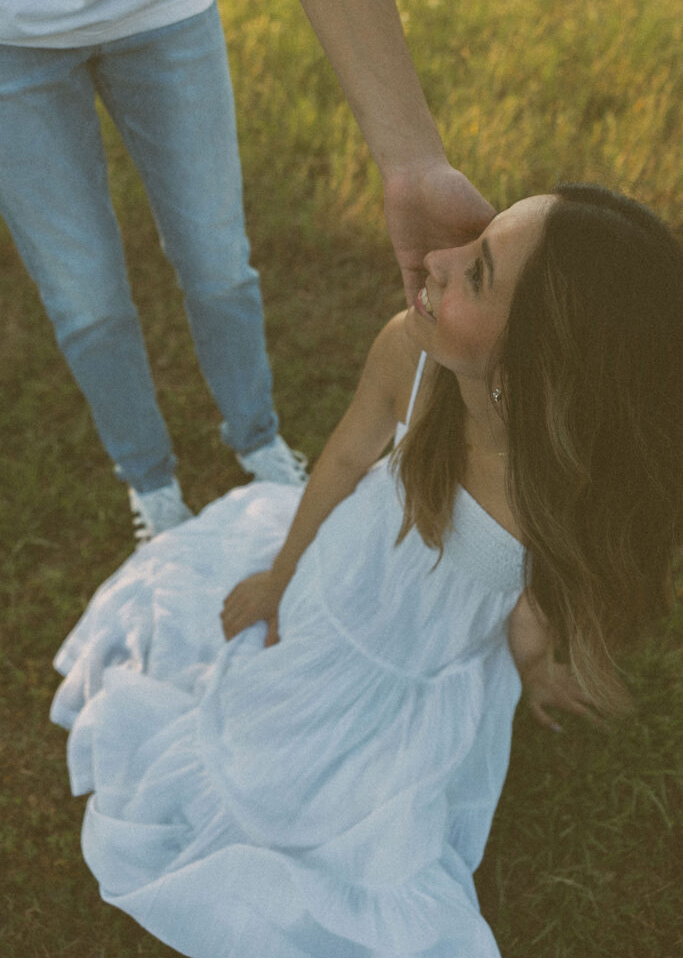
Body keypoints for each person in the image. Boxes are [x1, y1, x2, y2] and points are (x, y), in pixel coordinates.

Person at [50, 184, 682, 956]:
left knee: (372, 836)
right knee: (264, 761)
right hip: (339, 590)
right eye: (473, 240)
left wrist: (532, 669)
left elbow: (529, 611)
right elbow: (347, 455)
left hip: (424, 660)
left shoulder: (558, 495)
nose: (436, 259)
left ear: (536, 365)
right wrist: (279, 576)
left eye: (476, 272)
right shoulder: (411, 357)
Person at [0, 0, 493, 543]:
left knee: (218, 265)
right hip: (11, 40)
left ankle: (256, 436)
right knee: (86, 298)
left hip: (165, 4)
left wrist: (414, 160)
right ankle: (151, 482)